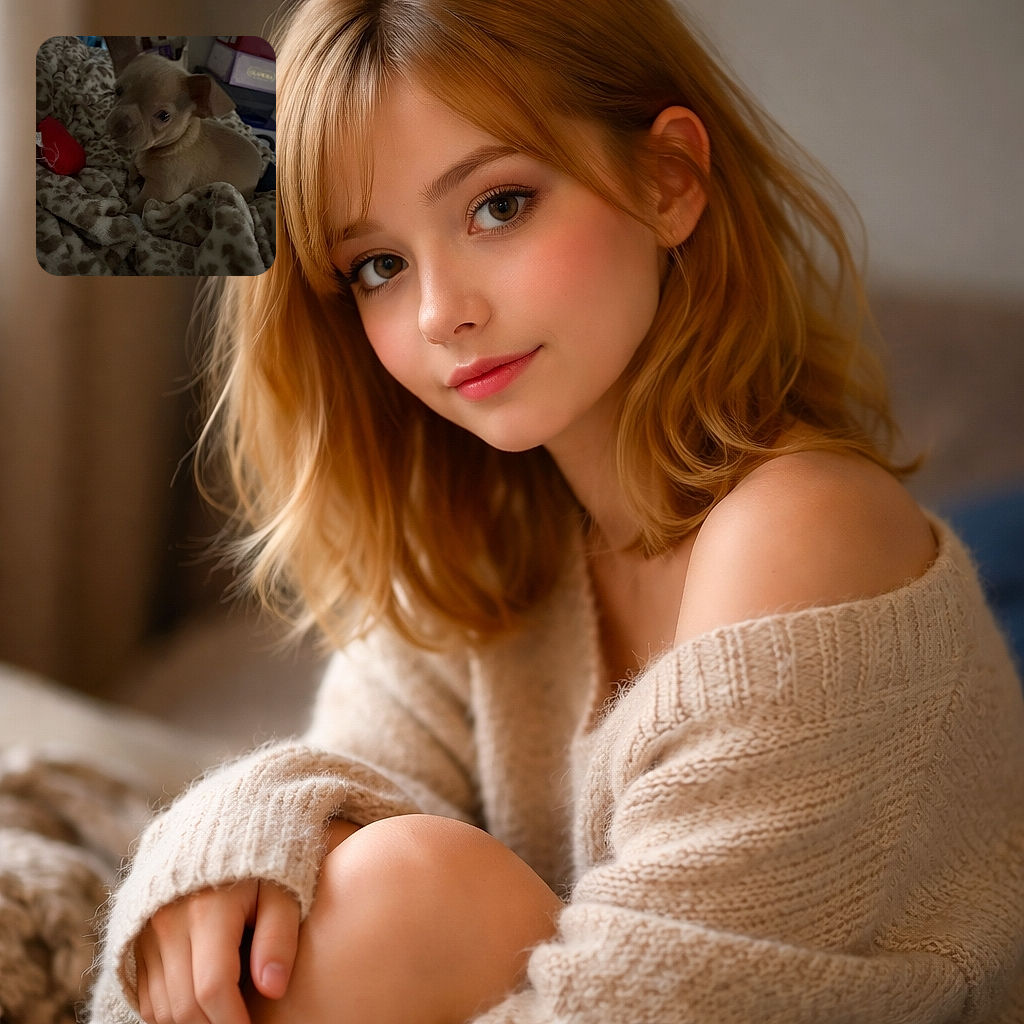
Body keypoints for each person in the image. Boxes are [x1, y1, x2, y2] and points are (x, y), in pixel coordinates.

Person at [89, 0, 1024, 1021]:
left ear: (669, 180)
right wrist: (229, 834)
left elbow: (654, 1007)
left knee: (403, 893)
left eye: (498, 206)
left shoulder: (802, 526)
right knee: (304, 896)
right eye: (378, 265)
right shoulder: (479, 544)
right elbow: (337, 790)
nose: (442, 309)